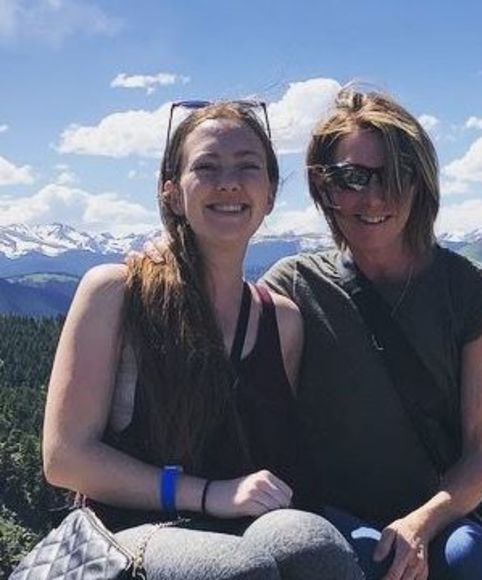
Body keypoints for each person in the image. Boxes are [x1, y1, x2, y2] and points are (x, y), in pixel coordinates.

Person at [42, 101, 363, 579]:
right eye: (206, 167)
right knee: (233, 570)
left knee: (314, 546)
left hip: (234, 526)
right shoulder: (117, 294)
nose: (228, 183)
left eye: (247, 167)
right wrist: (210, 494)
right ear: (172, 193)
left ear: (270, 194)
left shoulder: (281, 321)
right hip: (124, 531)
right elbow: (65, 459)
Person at [261, 88, 482, 580]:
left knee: (472, 560)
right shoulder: (293, 286)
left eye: (396, 176)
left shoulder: (474, 292)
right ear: (324, 187)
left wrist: (420, 524)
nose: (374, 197)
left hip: (437, 514)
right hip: (327, 516)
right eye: (352, 177)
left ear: (421, 184)